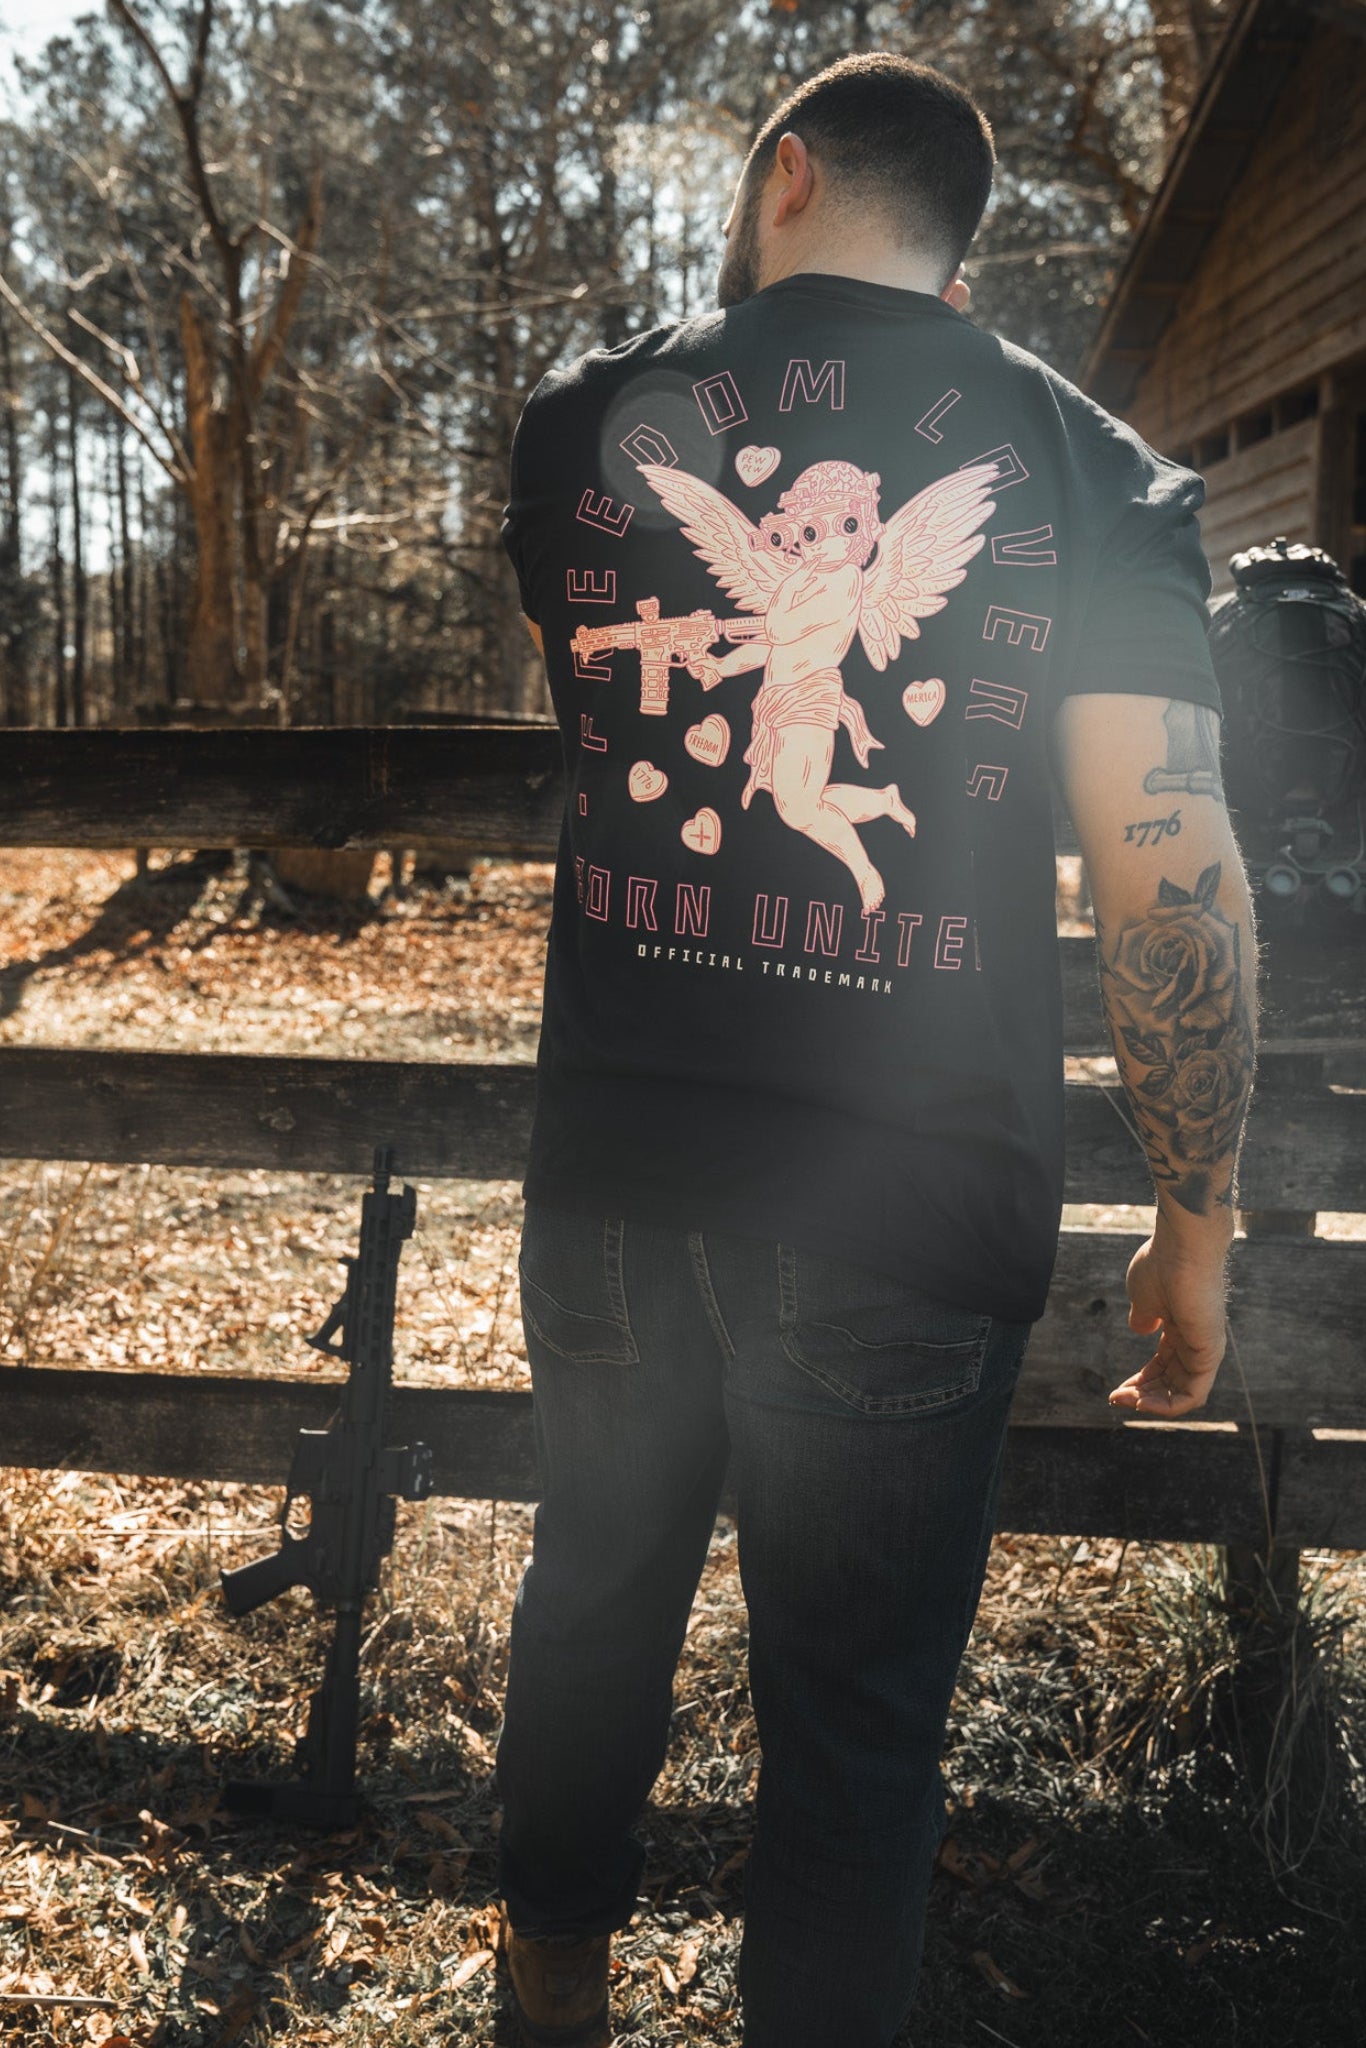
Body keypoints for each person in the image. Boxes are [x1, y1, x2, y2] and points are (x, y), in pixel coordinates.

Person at [494, 50, 1257, 2048]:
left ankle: (544, 1994)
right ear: (959, 230)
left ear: (783, 176)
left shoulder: (574, 428)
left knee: (588, 1606)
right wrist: (1199, 1209)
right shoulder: (1091, 473)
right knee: (849, 1741)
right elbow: (1167, 872)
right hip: (900, 1200)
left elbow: (596, 718)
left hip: (613, 1178)